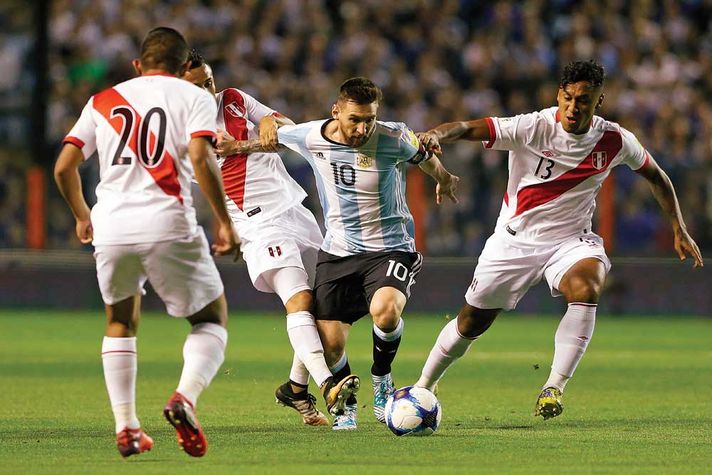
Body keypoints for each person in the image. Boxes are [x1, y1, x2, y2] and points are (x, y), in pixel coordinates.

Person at [414, 59, 704, 419]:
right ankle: (424, 385)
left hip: (571, 241)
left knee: (587, 286)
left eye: (584, 99)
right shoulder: (532, 126)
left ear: (599, 101)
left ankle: (554, 387)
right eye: (568, 97)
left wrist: (678, 227)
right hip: (514, 242)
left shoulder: (614, 139)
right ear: (558, 95)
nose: (573, 107)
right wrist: (436, 135)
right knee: (471, 323)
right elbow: (468, 127)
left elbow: (657, 176)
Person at [53, 27, 239, 458]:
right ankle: (184, 398)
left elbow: (65, 166)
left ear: (138, 64)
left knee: (120, 321)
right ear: (181, 68)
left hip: (111, 227)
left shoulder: (102, 101)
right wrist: (223, 222)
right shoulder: (193, 97)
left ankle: (127, 428)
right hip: (167, 221)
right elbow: (199, 156)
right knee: (210, 318)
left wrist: (83, 215)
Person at [268, 77, 460, 430]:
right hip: (338, 252)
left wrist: (444, 178)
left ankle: (382, 378)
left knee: (385, 312)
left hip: (391, 247)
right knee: (330, 346)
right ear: (336, 111)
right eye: (355, 119)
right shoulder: (311, 136)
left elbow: (424, 157)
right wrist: (267, 122)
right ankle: (346, 402)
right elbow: (274, 130)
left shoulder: (393, 138)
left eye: (369, 119)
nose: (362, 128)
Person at [182, 51, 358, 426]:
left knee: (326, 306)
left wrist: (272, 123)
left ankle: (295, 387)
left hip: (296, 210)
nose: (205, 91)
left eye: (207, 82)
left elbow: (288, 129)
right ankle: (329, 385)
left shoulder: (232, 99)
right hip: (258, 222)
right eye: (195, 86)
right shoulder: (182, 133)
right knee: (300, 298)